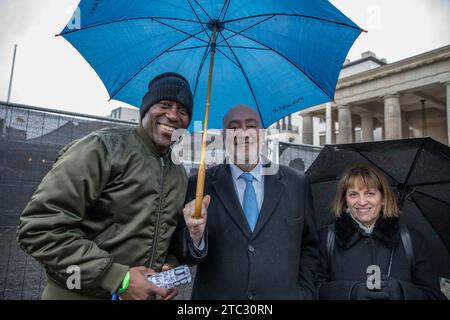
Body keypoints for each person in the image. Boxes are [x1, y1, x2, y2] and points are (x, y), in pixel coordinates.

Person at [17, 72, 194, 300]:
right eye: (165, 104)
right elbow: (39, 228)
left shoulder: (178, 171)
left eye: (183, 110)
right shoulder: (102, 148)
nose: (172, 115)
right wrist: (118, 278)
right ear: (146, 108)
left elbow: (167, 237)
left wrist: (168, 265)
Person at [171, 104, 320, 299]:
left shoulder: (296, 183)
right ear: (224, 139)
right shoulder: (198, 185)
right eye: (234, 128)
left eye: (251, 126)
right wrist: (195, 237)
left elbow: (310, 246)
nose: (243, 134)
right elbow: (183, 253)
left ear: (263, 134)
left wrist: (304, 293)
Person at [316, 163, 446, 300]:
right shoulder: (326, 239)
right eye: (353, 194)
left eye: (370, 193)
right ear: (345, 200)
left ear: (383, 198)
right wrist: (351, 292)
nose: (362, 202)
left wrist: (403, 292)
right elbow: (311, 291)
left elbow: (434, 296)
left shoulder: (412, 240)